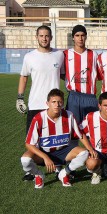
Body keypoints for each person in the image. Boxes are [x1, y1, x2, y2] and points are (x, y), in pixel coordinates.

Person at [20, 89, 97, 189]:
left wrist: (90, 149)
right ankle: (38, 175)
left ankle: (64, 173)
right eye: (53, 102)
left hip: (64, 152)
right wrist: (45, 157)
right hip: (44, 152)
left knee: (85, 153)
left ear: (63, 103)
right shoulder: (38, 118)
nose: (57, 105)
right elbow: (29, 144)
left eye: (59, 102)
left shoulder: (69, 115)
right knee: (25, 160)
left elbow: (80, 135)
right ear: (47, 103)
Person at [16, 25, 65, 181]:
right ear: (36, 37)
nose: (44, 38)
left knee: (56, 138)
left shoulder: (59, 55)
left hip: (54, 106)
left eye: (47, 36)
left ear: (51, 37)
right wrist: (19, 97)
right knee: (32, 141)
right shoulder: (29, 57)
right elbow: (24, 77)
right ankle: (32, 170)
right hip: (36, 104)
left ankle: (58, 167)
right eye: (41, 36)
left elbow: (64, 75)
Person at [64, 24, 100, 124]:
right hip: (74, 97)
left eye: (82, 35)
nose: (80, 38)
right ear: (73, 37)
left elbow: (99, 74)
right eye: (77, 35)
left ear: (86, 37)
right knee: (73, 130)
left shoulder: (93, 55)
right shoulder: (66, 54)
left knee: (92, 130)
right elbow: (62, 73)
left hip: (90, 97)